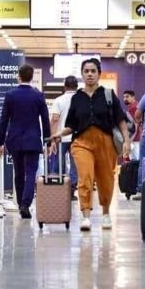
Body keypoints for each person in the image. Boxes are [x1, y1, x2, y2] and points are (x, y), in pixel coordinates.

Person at [50, 59, 131, 230]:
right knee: (85, 177)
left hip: (106, 142)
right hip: (82, 143)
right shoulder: (77, 98)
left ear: (99, 74)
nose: (90, 74)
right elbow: (71, 125)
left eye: (93, 71)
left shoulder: (108, 94)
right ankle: (85, 215)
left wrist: (126, 141)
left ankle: (106, 213)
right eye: (86, 71)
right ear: (82, 74)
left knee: (106, 180)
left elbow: (120, 120)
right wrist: (58, 134)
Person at [0, 64, 51, 220]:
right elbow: (45, 120)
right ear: (32, 77)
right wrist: (47, 140)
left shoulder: (10, 95)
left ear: (19, 76)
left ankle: (21, 204)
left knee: (18, 172)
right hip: (33, 139)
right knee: (31, 171)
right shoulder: (38, 96)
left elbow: (4, 120)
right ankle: (26, 204)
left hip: (15, 139)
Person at [49, 75, 79, 186]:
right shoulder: (81, 100)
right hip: (76, 138)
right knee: (74, 165)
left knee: (58, 164)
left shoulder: (59, 100)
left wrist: (52, 139)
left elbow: (55, 120)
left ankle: (58, 187)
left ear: (65, 86)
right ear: (76, 86)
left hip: (61, 137)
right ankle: (71, 188)